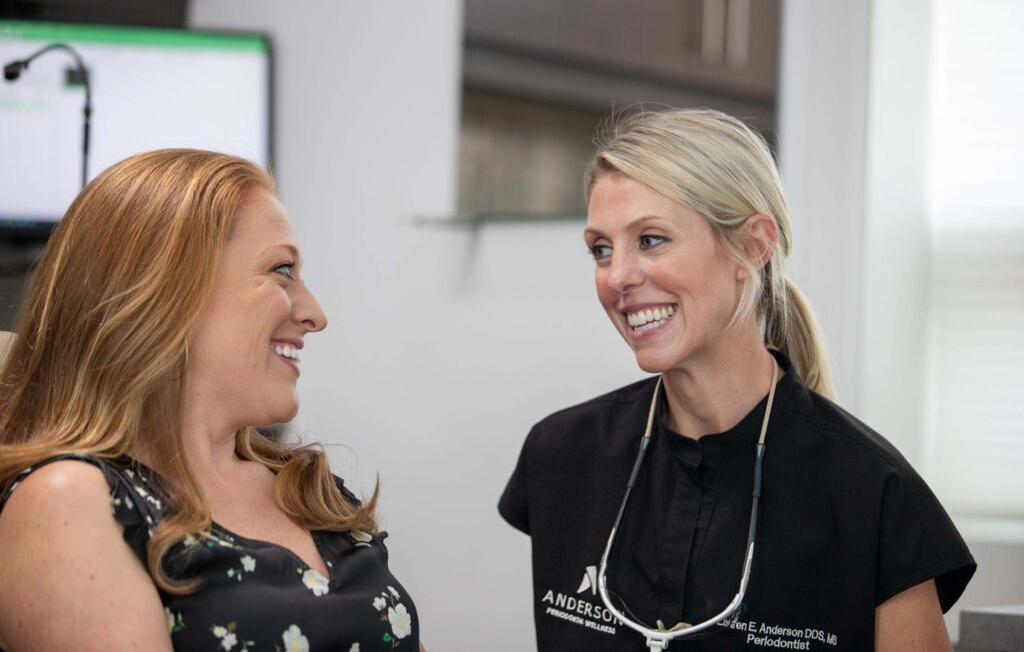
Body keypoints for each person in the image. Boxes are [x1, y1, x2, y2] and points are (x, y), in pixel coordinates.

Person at [499, 109, 975, 651]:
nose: (618, 277)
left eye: (651, 239)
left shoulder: (874, 495)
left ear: (752, 246)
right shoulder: (562, 457)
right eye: (601, 249)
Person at [0, 149, 422, 651]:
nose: (315, 314)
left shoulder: (310, 490)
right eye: (282, 270)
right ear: (164, 287)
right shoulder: (71, 500)